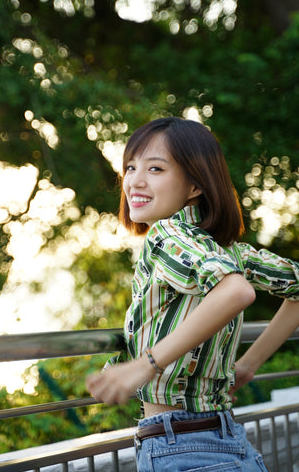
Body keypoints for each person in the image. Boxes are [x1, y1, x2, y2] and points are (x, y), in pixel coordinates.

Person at [86, 116, 299, 472]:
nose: (135, 181)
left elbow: (236, 292)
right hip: (228, 443)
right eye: (131, 167)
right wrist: (246, 367)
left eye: (156, 169)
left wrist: (145, 364)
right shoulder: (230, 251)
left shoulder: (166, 234)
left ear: (195, 185)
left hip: (182, 450)